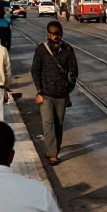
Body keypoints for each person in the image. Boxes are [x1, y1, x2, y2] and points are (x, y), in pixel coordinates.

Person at [31, 21, 78, 165]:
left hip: (62, 94)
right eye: (52, 34)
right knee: (47, 123)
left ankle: (55, 149)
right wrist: (39, 90)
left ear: (61, 34)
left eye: (57, 34)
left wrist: (68, 87)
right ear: (48, 34)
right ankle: (52, 153)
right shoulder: (42, 50)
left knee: (59, 123)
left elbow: (74, 71)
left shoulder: (68, 50)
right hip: (46, 93)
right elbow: (35, 70)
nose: (55, 36)